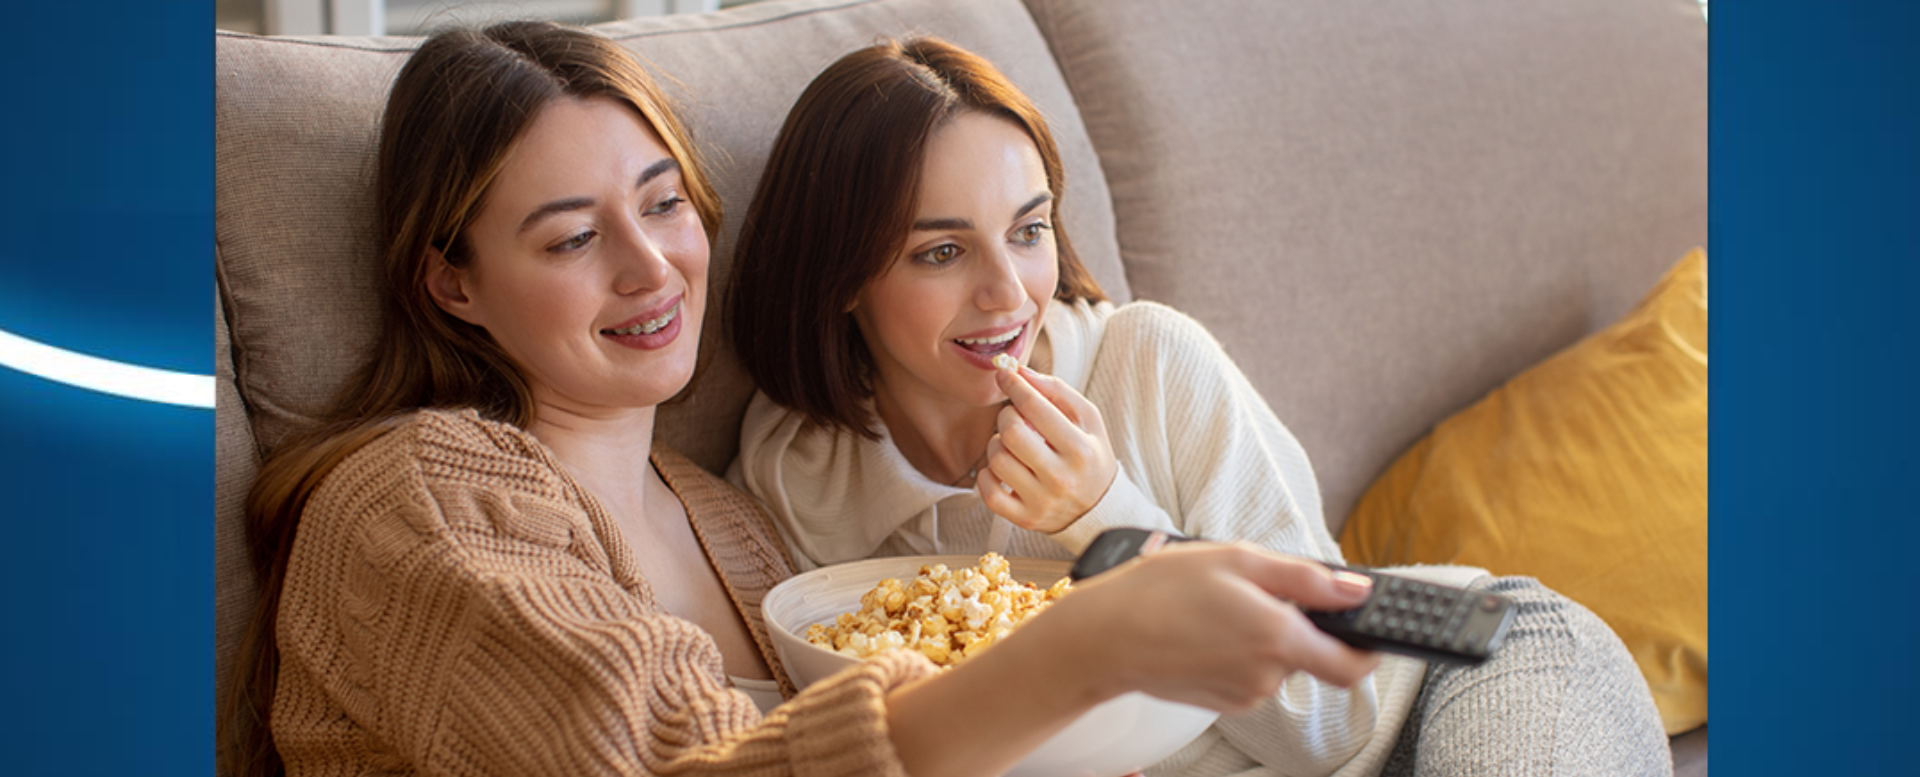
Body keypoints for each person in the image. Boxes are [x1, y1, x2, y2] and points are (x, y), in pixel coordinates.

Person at [217, 21, 1393, 777]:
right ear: (452, 282)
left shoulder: (731, 519)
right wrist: (1075, 655)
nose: (651, 267)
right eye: (575, 238)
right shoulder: (417, 503)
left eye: (665, 203)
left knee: (1529, 639)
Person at [725, 37, 1672, 776]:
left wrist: (1105, 521)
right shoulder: (797, 473)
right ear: (843, 275)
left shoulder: (1149, 364)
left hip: (1459, 678)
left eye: (1028, 231)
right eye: (940, 251)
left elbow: (1328, 727)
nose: (1009, 293)